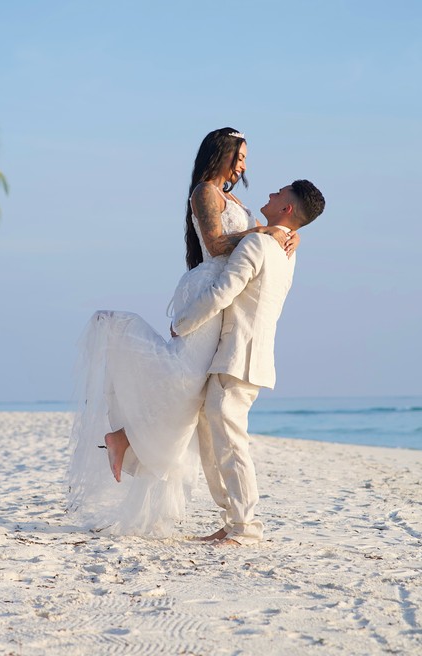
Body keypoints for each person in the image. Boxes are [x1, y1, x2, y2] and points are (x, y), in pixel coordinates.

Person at [66, 128, 296, 536]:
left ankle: (124, 440)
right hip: (208, 291)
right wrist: (266, 233)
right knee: (183, 381)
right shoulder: (204, 192)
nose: (244, 165)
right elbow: (217, 241)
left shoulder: (237, 201)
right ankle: (124, 437)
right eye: (240, 156)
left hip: (225, 301)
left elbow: (264, 245)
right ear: (221, 155)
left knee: (192, 397)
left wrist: (284, 236)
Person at [173, 180, 326, 545]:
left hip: (238, 357)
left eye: (279, 193)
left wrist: (182, 324)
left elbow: (224, 292)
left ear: (287, 209)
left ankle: (245, 526)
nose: (271, 194)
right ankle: (233, 520)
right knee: (213, 440)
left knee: (231, 444)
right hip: (246, 357)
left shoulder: (259, 243)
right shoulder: (288, 250)